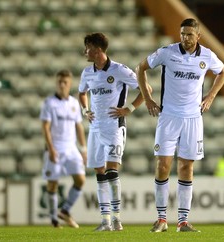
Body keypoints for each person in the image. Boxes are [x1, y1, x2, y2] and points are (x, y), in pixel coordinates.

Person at [136, 18, 224, 232]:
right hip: (168, 116)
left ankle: (183, 222)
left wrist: (211, 95)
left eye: (189, 34)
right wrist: (147, 99)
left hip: (193, 119)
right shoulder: (167, 52)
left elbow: (223, 72)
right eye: (183, 34)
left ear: (198, 36)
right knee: (163, 165)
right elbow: (140, 68)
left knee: (187, 167)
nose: (185, 38)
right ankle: (161, 219)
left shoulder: (207, 56)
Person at [78, 32, 148, 231]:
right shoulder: (87, 73)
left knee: (111, 171)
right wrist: (85, 110)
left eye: (88, 47)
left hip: (114, 127)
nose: (85, 51)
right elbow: (82, 92)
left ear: (98, 49)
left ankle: (117, 219)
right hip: (95, 127)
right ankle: (105, 221)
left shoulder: (119, 70)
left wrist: (129, 109)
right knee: (99, 172)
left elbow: (146, 89)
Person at [39, 69, 87, 228]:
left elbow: (78, 126)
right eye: (59, 82)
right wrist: (51, 149)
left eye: (64, 82)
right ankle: (54, 219)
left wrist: (83, 148)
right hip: (56, 147)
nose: (61, 85)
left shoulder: (74, 103)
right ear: (56, 83)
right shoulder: (49, 103)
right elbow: (45, 128)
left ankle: (65, 211)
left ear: (70, 84)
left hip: (71, 147)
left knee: (80, 180)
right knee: (52, 184)